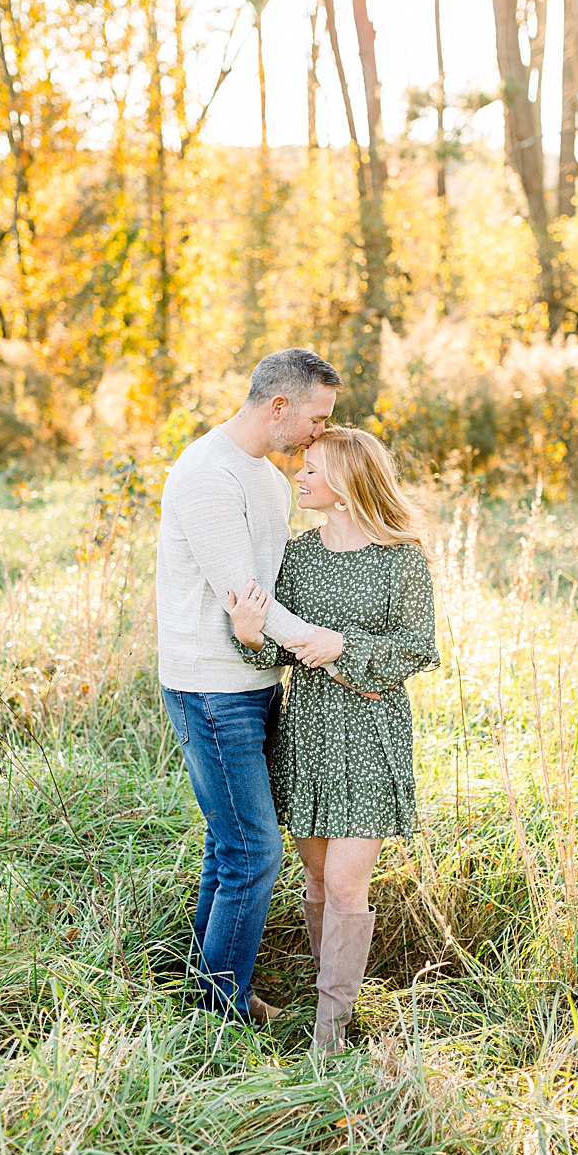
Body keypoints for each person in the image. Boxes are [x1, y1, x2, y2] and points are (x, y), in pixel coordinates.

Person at [227, 426, 439, 1053]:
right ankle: (329, 991)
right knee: (316, 881)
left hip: (371, 736)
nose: (300, 476)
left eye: (313, 468)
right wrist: (248, 633)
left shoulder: (402, 556)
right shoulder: (296, 555)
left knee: (347, 885)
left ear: (347, 480)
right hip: (308, 729)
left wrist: (345, 647)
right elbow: (273, 645)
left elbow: (419, 648)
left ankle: (331, 1033)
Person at [156, 347, 348, 1023]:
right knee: (254, 847)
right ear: (279, 407)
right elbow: (249, 601)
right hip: (210, 686)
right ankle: (224, 1008)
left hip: (257, 679)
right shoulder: (209, 474)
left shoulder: (267, 478)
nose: (320, 431)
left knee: (229, 841)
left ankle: (203, 981)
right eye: (317, 417)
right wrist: (323, 647)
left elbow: (274, 587)